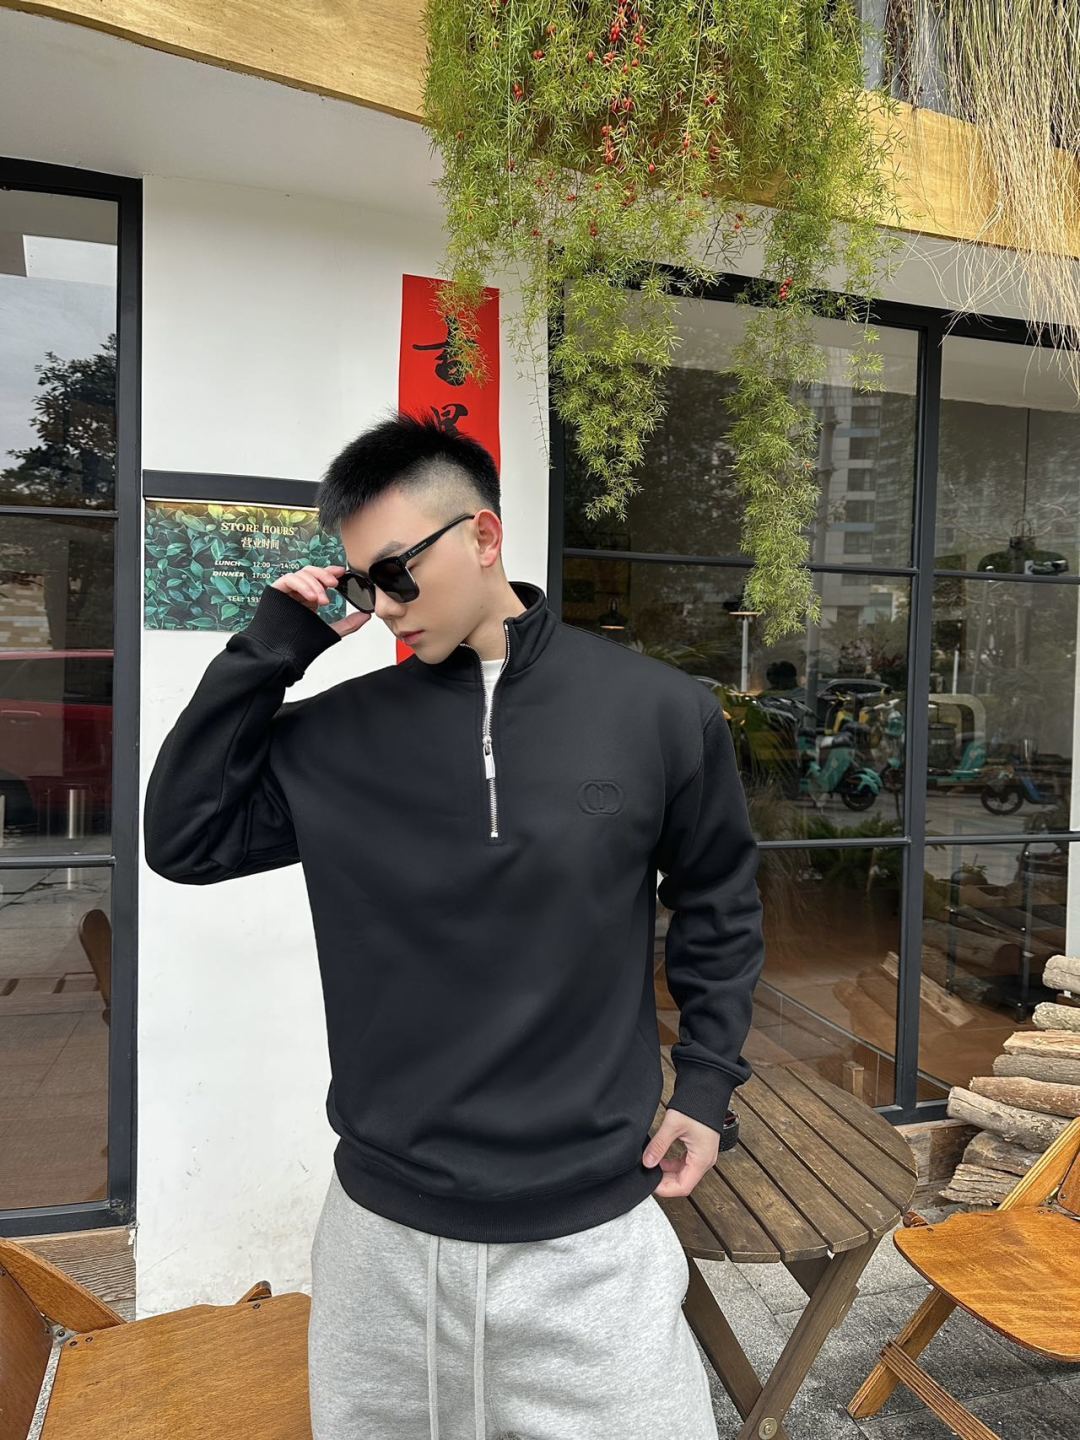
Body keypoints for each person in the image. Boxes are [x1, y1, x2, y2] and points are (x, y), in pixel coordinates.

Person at [143, 410, 765, 1440]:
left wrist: (705, 1086)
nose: (385, 607)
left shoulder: (656, 712)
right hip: (384, 1240)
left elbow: (720, 901)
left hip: (591, 1234)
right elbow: (183, 837)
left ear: (483, 536)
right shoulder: (337, 737)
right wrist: (272, 649)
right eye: (361, 585)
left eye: (397, 573)